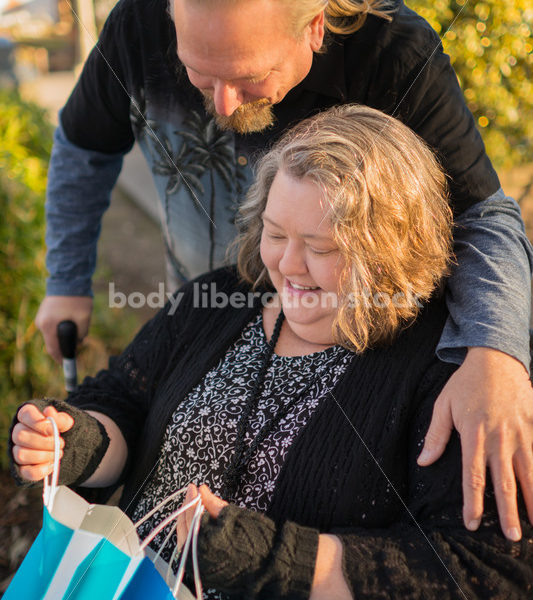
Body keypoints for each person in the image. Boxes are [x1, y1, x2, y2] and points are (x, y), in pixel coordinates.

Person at [35, 0, 533, 540]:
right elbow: (84, 145)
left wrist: (495, 353)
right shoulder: (139, 21)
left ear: (314, 27)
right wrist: (65, 281)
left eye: (249, 76)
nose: (222, 105)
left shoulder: (395, 54)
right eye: (199, 76)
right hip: (209, 313)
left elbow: (483, 213)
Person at [11, 106, 533, 598]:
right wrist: (77, 441)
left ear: (390, 253)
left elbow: (485, 568)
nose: (288, 265)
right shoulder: (220, 300)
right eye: (275, 232)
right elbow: (126, 398)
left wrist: (278, 560)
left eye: (322, 247)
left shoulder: (445, 373)